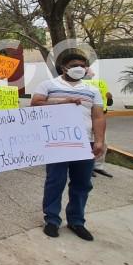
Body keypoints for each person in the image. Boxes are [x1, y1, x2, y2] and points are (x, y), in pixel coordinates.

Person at [31, 52, 106, 241]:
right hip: (57, 141)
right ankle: (52, 220)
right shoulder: (49, 85)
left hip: (85, 143)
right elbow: (35, 104)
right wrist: (61, 102)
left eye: (83, 64)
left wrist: (99, 141)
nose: (79, 68)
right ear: (64, 67)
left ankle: (76, 221)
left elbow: (98, 116)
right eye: (75, 65)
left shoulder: (92, 90)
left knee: (82, 183)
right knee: (55, 181)